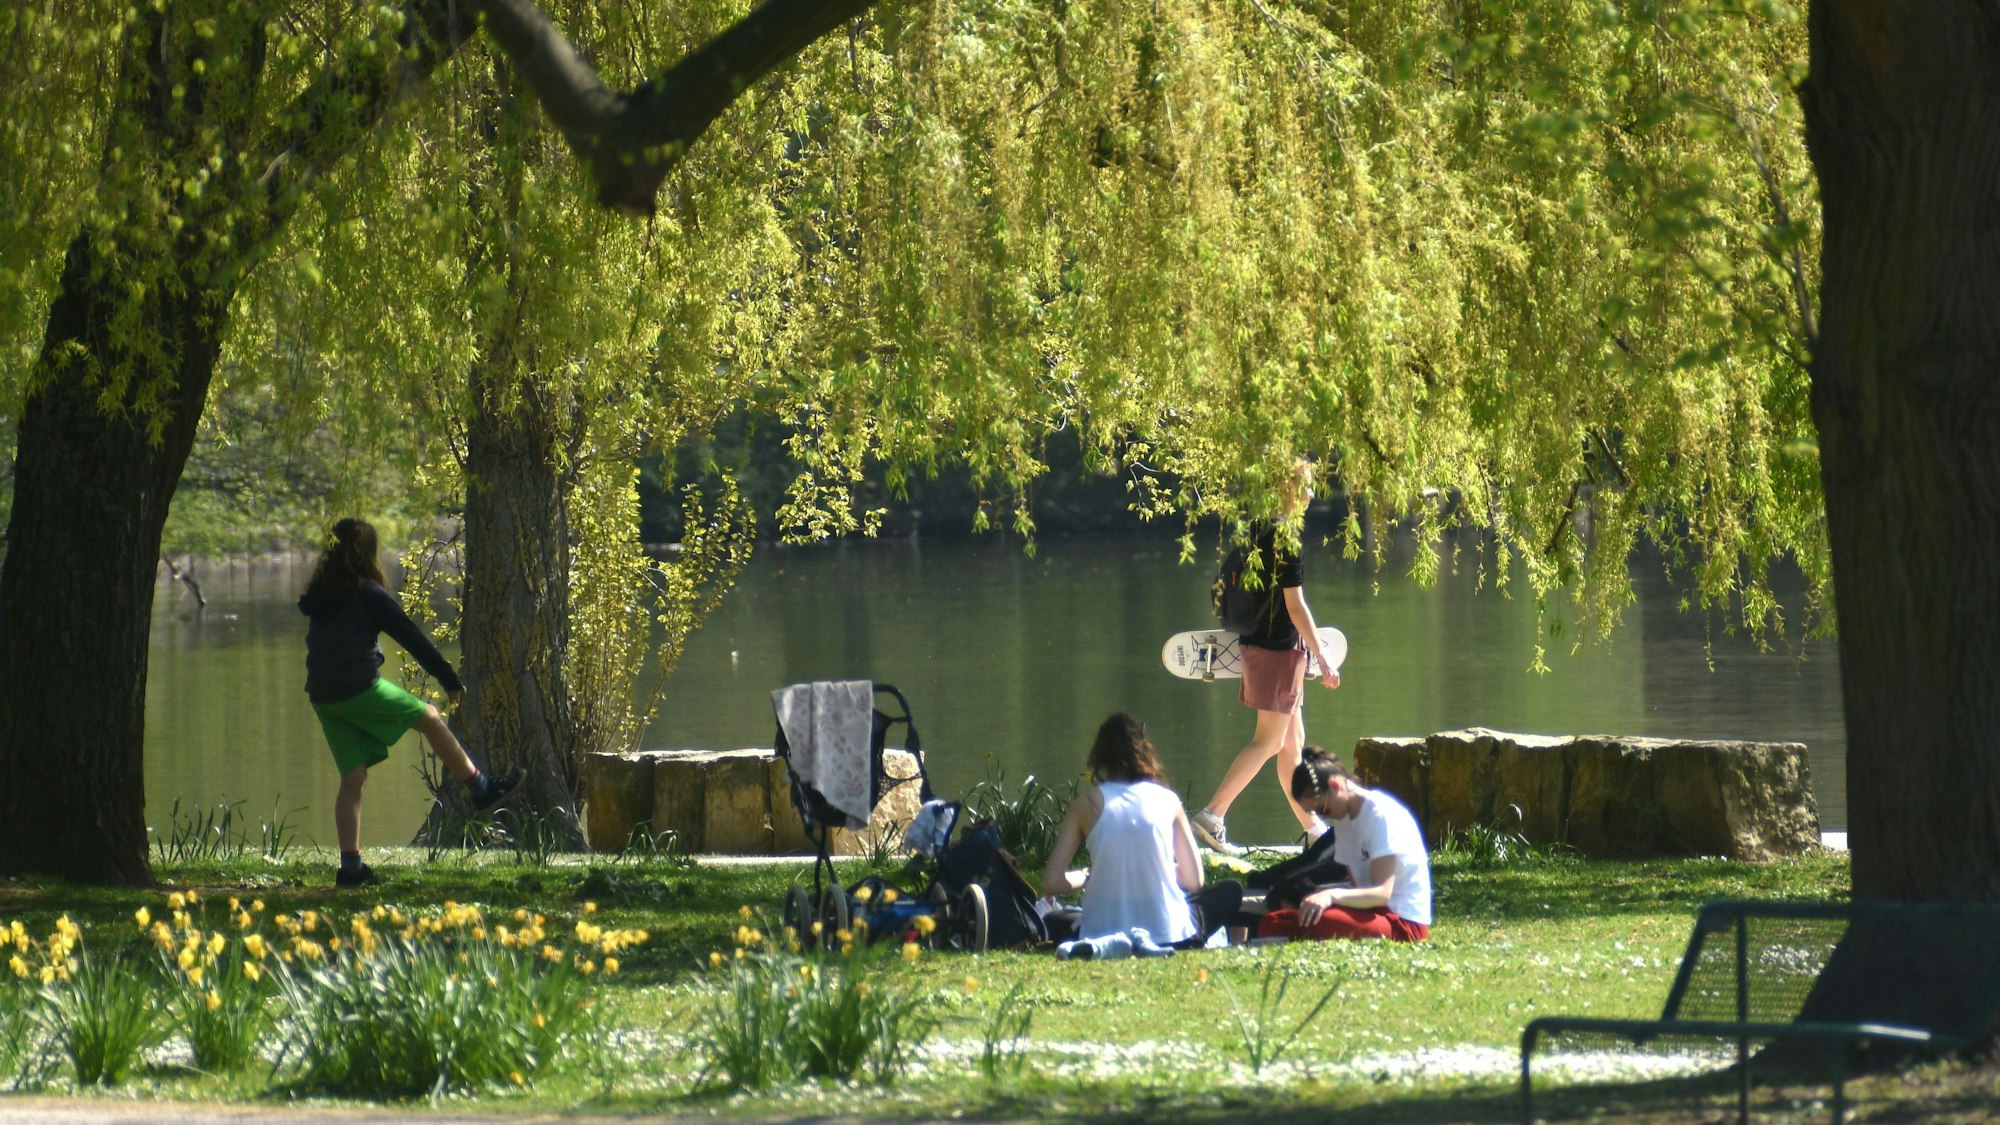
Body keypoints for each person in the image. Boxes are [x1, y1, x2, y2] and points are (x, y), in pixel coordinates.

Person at [298, 518, 519, 887]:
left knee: (353, 778)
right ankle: (481, 787)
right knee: (430, 717)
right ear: (369, 554)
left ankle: (350, 869)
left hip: (324, 697)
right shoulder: (368, 594)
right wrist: (448, 678)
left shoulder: (322, 596)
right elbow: (412, 638)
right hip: (357, 689)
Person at [1190, 461, 1341, 856]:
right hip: (1278, 652)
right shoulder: (1285, 538)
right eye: (1305, 488)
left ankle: (1313, 829)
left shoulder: (1256, 531)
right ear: (1284, 490)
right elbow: (1295, 606)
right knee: (1268, 742)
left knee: (1292, 745)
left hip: (1260, 648)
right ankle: (1211, 816)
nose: (1311, 495)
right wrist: (1322, 657)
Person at [1041, 713, 1241, 954]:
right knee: (1232, 890)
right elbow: (1194, 881)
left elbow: (1051, 883)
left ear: (1100, 756)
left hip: (1101, 930)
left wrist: (1086, 876)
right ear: (1144, 752)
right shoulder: (1169, 800)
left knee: (1054, 919)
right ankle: (1150, 941)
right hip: (1171, 933)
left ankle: (1112, 944)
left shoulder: (1085, 806)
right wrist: (1158, 867)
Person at [1256, 748, 1430, 942]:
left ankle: (1304, 935)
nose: (1322, 816)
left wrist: (1331, 896)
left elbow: (1382, 894)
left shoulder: (1380, 816)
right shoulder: (1343, 821)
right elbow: (1357, 886)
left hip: (1401, 922)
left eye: (1321, 808)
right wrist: (1318, 893)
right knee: (1272, 922)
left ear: (1335, 785)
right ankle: (1299, 935)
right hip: (1371, 911)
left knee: (1321, 920)